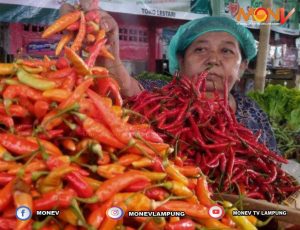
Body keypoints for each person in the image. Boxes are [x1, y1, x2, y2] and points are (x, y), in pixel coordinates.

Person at [60, 2, 278, 153]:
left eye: (227, 51)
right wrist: (104, 47)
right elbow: (124, 88)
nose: (213, 60)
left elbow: (269, 168)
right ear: (180, 62)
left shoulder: (253, 115)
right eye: (200, 50)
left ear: (242, 67)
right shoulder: (161, 94)